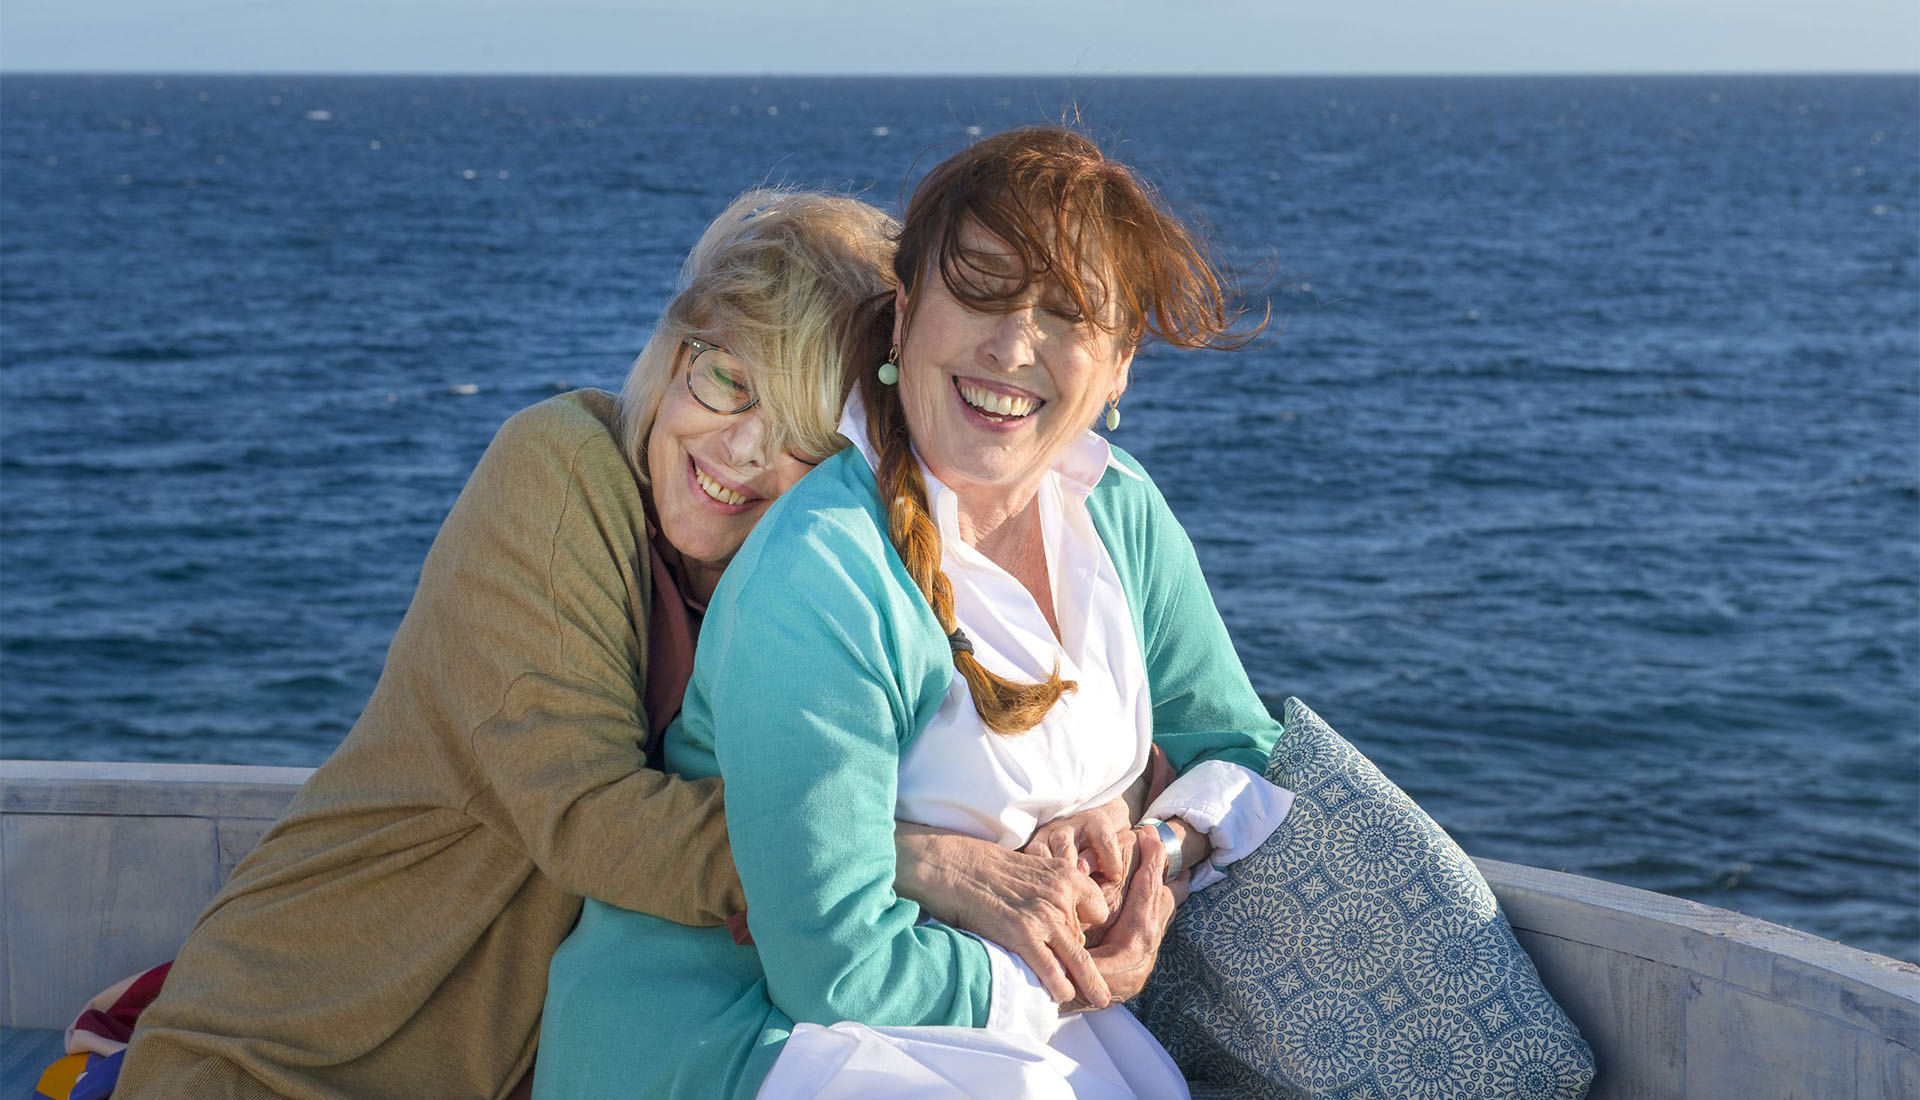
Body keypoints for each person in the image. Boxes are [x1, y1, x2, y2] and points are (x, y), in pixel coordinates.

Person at [113, 189, 1111, 1100]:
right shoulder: (561, 469)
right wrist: (901, 859)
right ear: (672, 358)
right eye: (725, 379)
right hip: (296, 1049)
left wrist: (1098, 820)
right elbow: (589, 817)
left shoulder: (828, 577)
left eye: (803, 428)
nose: (741, 448)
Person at [534, 127, 1295, 1100]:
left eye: (1067, 313)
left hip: (1025, 1033)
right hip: (752, 1038)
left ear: (1119, 365)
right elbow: (836, 966)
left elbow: (1233, 743)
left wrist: (1150, 852)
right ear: (904, 317)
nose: (1011, 346)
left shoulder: (1120, 511)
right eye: (978, 290)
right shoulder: (824, 571)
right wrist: (1062, 972)